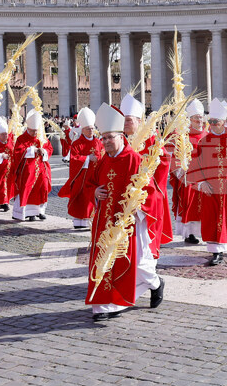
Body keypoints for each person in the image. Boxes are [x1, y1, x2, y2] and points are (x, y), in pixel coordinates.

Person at [85, 103, 164, 321]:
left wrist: (138, 204)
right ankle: (104, 305)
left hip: (129, 223)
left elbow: (153, 193)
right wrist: (95, 191)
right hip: (104, 223)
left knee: (138, 264)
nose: (106, 142)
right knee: (104, 260)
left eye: (110, 137)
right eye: (103, 138)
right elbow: (90, 184)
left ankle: (156, 284)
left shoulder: (135, 160)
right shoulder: (103, 161)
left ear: (121, 136)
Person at [188, 99, 227, 266]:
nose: (213, 124)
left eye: (216, 121)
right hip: (211, 189)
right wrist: (201, 183)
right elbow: (195, 165)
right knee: (212, 219)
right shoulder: (204, 141)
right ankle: (216, 253)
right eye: (211, 121)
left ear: (224, 121)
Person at [121, 94, 173, 255]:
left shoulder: (151, 139)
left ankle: (148, 270)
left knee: (145, 242)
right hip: (122, 196)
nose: (125, 123)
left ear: (139, 121)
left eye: (128, 120)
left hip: (146, 196)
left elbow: (164, 160)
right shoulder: (118, 140)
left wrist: (147, 166)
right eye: (122, 119)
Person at [57, 107, 101, 229]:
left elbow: (102, 154)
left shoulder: (98, 142)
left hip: (95, 176)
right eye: (88, 129)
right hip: (81, 176)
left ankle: (90, 221)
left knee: (92, 198)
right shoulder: (77, 143)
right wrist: (87, 158)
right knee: (81, 198)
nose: (91, 131)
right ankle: (78, 222)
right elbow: (75, 158)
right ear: (83, 129)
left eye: (92, 128)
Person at [171, 99, 207, 244]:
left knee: (205, 207)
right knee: (190, 205)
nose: (199, 120)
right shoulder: (184, 136)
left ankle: (204, 231)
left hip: (205, 176)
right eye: (196, 118)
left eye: (200, 117)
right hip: (189, 177)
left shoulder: (207, 135)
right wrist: (180, 171)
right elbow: (176, 155)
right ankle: (189, 234)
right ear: (190, 120)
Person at [11, 111, 53, 221]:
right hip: (27, 169)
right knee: (27, 187)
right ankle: (27, 212)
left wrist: (43, 150)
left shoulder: (41, 138)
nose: (35, 133)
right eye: (33, 131)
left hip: (41, 168)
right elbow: (18, 152)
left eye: (36, 131)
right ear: (28, 129)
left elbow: (49, 148)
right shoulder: (21, 138)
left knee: (43, 187)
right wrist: (33, 150)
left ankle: (40, 211)